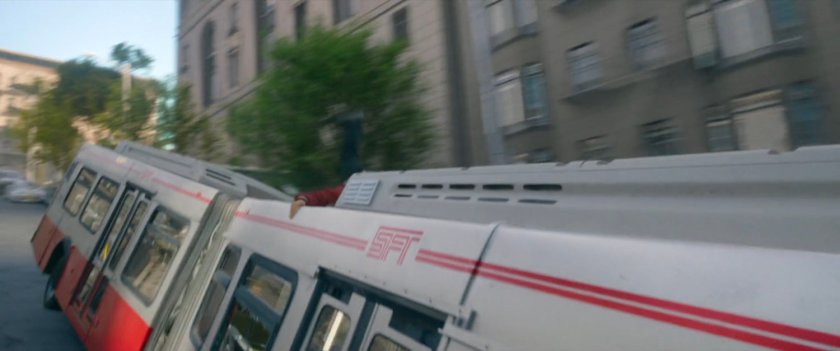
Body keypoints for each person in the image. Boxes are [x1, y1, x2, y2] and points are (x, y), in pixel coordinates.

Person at [289, 110, 363, 219]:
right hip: (357, 181)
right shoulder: (352, 192)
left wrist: (304, 198)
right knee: (349, 155)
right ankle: (354, 123)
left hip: (356, 181)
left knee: (349, 155)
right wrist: (304, 199)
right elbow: (326, 195)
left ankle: (354, 123)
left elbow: (326, 196)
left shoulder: (352, 192)